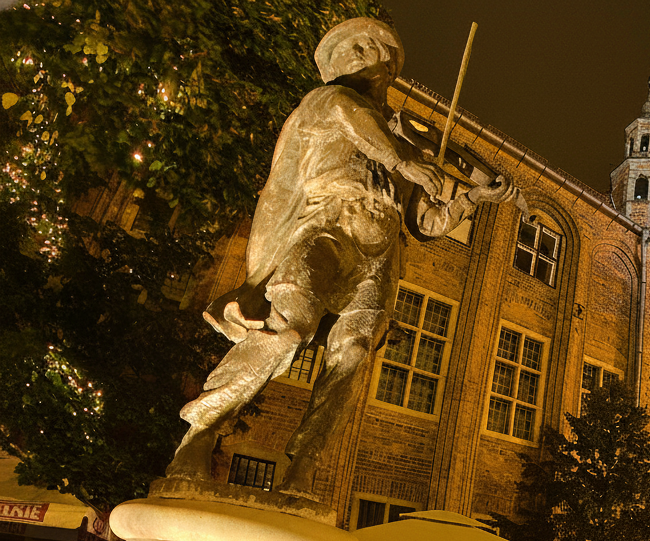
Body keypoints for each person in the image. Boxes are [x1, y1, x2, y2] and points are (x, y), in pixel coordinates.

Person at [166, 18, 514, 497]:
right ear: (333, 65)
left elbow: (426, 223)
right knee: (288, 325)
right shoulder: (329, 102)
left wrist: (472, 198)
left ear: (389, 66)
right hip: (326, 229)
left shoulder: (400, 144)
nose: (366, 53)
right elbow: (354, 119)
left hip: (379, 257)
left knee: (351, 356)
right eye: (355, 47)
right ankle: (200, 430)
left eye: (375, 47)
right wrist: (404, 159)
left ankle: (303, 466)